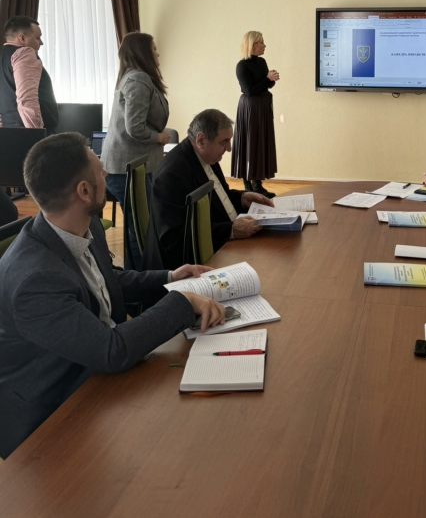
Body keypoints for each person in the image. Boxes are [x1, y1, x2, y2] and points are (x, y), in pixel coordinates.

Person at [0, 131, 226, 459]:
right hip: (52, 419)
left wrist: (170, 277)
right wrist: (183, 301)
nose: (107, 174)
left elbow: (106, 280)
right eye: (100, 170)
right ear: (84, 191)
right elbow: (111, 350)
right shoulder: (35, 281)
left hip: (98, 377)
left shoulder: (83, 225)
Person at [143, 109, 273, 271]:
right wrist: (231, 230)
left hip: (222, 245)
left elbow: (217, 199)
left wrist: (242, 198)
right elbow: (174, 238)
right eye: (224, 142)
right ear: (201, 140)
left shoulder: (207, 157)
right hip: (188, 267)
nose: (229, 148)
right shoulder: (171, 175)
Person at [100, 32, 172, 269]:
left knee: (141, 224)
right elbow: (135, 128)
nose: (158, 53)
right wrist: (159, 137)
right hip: (126, 169)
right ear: (142, 52)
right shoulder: (138, 79)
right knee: (140, 227)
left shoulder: (137, 78)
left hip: (132, 165)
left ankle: (140, 274)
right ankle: (141, 278)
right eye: (154, 48)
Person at [230, 30, 279, 199]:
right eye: (261, 42)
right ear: (253, 45)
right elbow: (249, 91)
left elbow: (265, 86)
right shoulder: (242, 66)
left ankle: (258, 185)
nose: (264, 45)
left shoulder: (262, 61)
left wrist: (271, 80)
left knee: (260, 142)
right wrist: (267, 79)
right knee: (249, 142)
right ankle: (248, 185)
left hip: (263, 107)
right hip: (250, 108)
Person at [0, 15, 58, 130]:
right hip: (29, 133)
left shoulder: (2, 56)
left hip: (8, 131)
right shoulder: (24, 53)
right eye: (37, 38)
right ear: (22, 38)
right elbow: (27, 98)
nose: (41, 43)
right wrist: (35, 134)